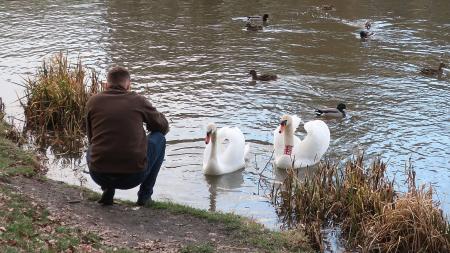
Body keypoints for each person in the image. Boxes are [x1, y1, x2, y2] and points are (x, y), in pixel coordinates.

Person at [85, 66, 169, 206]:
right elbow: (163, 127)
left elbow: (91, 137)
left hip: (99, 175)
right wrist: (149, 126)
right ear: (128, 85)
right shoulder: (138, 100)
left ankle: (108, 190)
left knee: (93, 145)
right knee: (159, 138)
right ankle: (145, 196)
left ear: (106, 85)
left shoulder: (93, 102)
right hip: (133, 177)